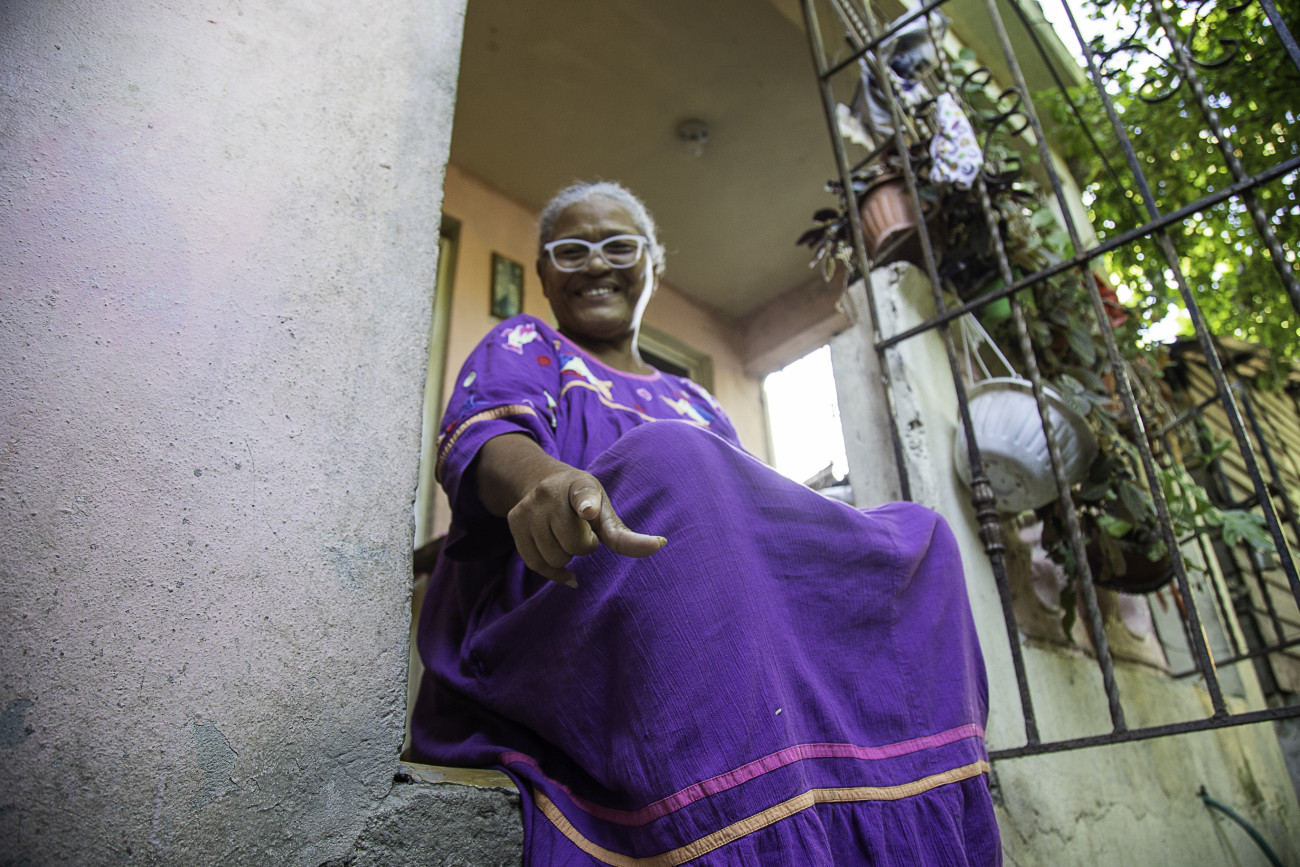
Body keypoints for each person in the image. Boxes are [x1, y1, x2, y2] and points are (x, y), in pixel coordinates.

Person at [410, 181, 1000, 865]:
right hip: (557, 620)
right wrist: (547, 481)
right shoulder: (528, 343)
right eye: (570, 251)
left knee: (920, 538)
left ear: (654, 264)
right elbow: (486, 441)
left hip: (700, 627)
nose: (595, 263)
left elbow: (748, 530)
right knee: (674, 456)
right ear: (542, 273)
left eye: (618, 246)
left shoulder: (697, 403)